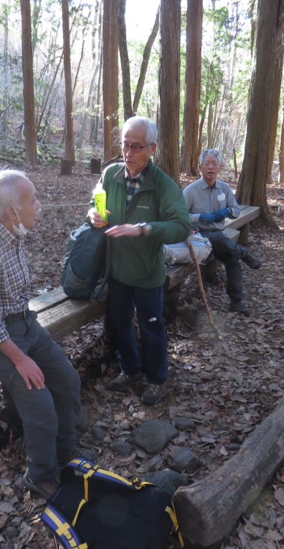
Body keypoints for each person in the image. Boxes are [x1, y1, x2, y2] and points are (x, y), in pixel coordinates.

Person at [0, 170, 82, 499]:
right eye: (33, 200)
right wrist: (21, 360)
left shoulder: (12, 234)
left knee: (67, 380)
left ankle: (65, 454)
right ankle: (40, 476)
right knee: (41, 405)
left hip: (24, 322)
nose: (39, 206)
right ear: (12, 211)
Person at [87, 116, 191, 406]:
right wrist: (93, 216)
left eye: (136, 147)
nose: (129, 153)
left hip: (147, 273)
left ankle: (157, 378)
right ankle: (129, 368)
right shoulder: (111, 175)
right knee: (120, 323)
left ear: (152, 149)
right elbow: (96, 203)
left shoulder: (162, 185)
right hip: (117, 271)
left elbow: (181, 225)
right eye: (125, 145)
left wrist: (146, 229)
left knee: (151, 325)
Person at [183, 149, 261, 317]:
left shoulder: (224, 188)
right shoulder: (191, 190)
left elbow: (235, 210)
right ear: (200, 167)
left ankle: (236, 301)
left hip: (218, 236)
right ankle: (244, 253)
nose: (210, 167)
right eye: (207, 164)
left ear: (220, 167)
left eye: (214, 164)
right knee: (220, 239)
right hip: (197, 235)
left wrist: (225, 212)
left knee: (232, 259)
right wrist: (200, 216)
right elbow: (178, 216)